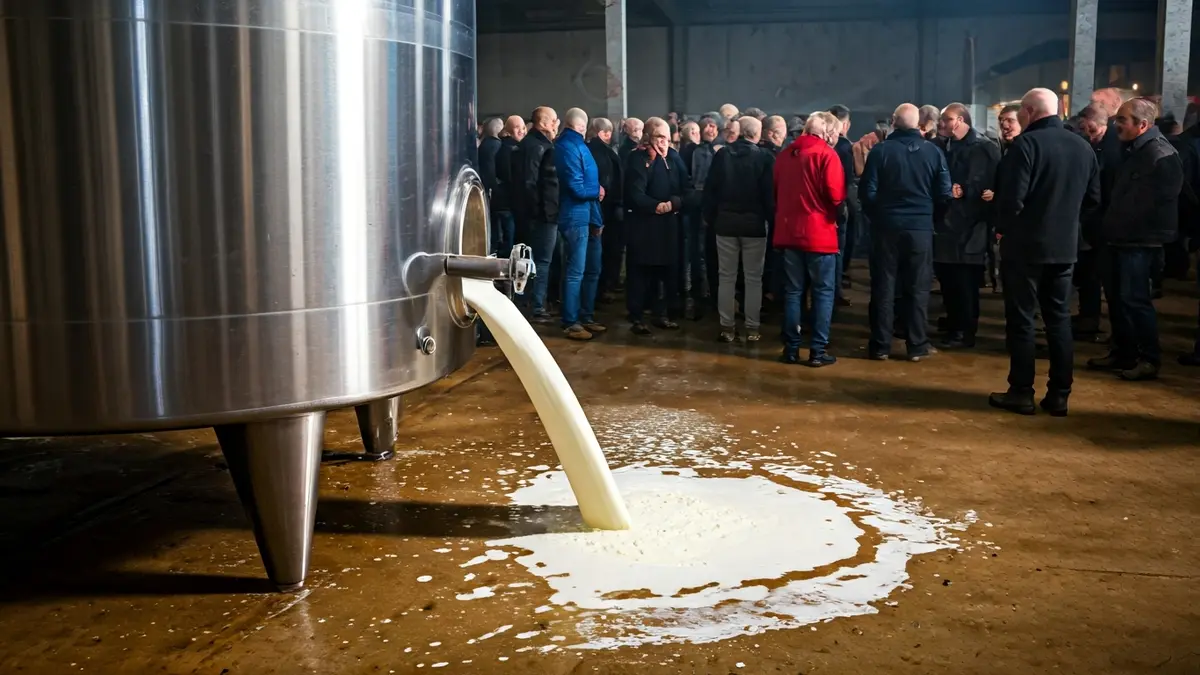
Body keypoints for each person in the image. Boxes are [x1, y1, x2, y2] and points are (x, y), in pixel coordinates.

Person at [988, 88, 1100, 416]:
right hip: (1065, 249)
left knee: (1022, 321)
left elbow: (1012, 200)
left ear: (1028, 111)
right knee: (1059, 320)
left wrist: (1003, 229)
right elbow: (1093, 200)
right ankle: (1060, 395)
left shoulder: (1026, 145)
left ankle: (1021, 391)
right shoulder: (1083, 147)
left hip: (1024, 249)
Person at [1086, 98, 1183, 381]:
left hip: (1140, 241)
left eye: (1122, 120)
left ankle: (1148, 358)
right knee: (1118, 298)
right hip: (1120, 237)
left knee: (1135, 299)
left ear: (1142, 125)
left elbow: (1157, 202)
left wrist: (1123, 224)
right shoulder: (1134, 150)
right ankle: (1124, 352)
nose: (1117, 125)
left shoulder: (1160, 154)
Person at [859, 103, 953, 362]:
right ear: (918, 123)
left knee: (883, 286)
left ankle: (880, 345)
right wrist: (930, 218)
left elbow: (867, 192)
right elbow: (944, 194)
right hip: (920, 228)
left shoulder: (880, 152)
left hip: (886, 228)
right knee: (918, 287)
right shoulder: (933, 153)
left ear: (893, 121)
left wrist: (879, 217)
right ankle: (916, 344)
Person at [773, 113, 846, 366]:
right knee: (823, 293)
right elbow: (835, 195)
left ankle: (791, 349)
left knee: (793, 292)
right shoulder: (826, 155)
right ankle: (817, 351)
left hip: (788, 233)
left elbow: (776, 190)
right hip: (819, 234)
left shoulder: (784, 156)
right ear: (825, 131)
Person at [933, 103, 1001, 349]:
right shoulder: (947, 146)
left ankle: (964, 331)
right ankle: (955, 324)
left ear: (961, 120)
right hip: (949, 224)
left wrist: (967, 192)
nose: (942, 123)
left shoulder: (983, 148)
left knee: (965, 283)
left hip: (971, 226)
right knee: (950, 280)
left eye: (947, 119)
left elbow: (990, 184)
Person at [703, 116, 775, 343]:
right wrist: (770, 221)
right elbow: (769, 196)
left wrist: (712, 219)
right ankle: (752, 329)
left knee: (726, 277)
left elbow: (710, 191)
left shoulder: (722, 155)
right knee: (754, 278)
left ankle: (727, 328)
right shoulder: (765, 157)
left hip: (724, 224)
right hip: (754, 226)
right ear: (758, 133)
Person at [624, 117, 693, 335]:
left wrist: (675, 203)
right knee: (640, 272)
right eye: (659, 137)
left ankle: (660, 313)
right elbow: (635, 193)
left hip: (668, 225)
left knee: (664, 272)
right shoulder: (638, 158)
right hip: (644, 226)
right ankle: (637, 317)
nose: (664, 143)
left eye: (666, 138)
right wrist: (657, 206)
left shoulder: (673, 157)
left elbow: (686, 187)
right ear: (648, 136)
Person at [552, 108, 606, 341]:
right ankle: (571, 321)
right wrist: (597, 190)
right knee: (576, 271)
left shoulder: (573, 146)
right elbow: (577, 187)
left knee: (591, 269)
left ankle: (586, 315)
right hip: (576, 215)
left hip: (588, 214)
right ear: (583, 127)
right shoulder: (569, 147)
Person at [515, 107, 560, 323]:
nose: (556, 124)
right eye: (554, 121)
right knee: (541, 260)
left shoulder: (527, 144)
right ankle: (537, 306)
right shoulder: (540, 147)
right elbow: (530, 182)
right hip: (542, 215)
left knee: (527, 259)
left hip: (531, 213)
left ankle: (526, 303)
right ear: (544, 122)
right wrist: (539, 211)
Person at [587, 118, 625, 302]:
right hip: (607, 207)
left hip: (600, 206)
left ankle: (598, 292)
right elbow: (609, 179)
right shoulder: (604, 153)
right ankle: (601, 291)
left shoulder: (589, 150)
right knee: (605, 250)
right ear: (604, 133)